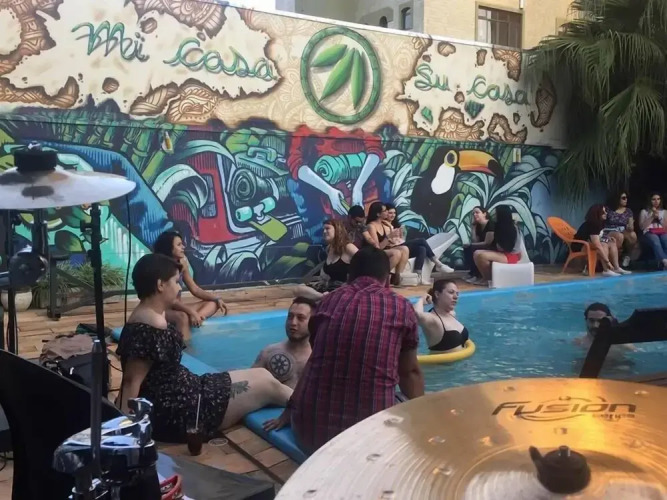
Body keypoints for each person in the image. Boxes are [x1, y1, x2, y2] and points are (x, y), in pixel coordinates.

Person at [263, 246, 424, 454]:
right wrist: (422, 422)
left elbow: (315, 361)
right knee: (408, 401)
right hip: (368, 443)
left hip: (309, 435)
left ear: (349, 276)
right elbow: (410, 373)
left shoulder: (327, 303)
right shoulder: (400, 307)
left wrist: (290, 410)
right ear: (387, 280)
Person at [117, 254, 292, 443]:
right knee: (267, 386)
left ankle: (301, 400)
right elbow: (130, 382)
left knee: (262, 374)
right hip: (181, 412)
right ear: (160, 285)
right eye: (176, 282)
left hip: (185, 393)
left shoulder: (150, 315)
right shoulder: (151, 324)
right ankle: (307, 408)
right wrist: (125, 432)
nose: (179, 287)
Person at [153, 231, 228, 341]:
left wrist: (216, 298)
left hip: (179, 307)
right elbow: (171, 301)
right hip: (164, 311)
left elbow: (195, 289)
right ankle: (187, 344)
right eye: (179, 245)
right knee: (182, 317)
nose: (183, 247)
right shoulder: (163, 268)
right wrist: (191, 312)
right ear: (169, 248)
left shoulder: (182, 263)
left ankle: (196, 320)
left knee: (213, 303)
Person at [252, 297, 316, 389]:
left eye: (300, 318)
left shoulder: (319, 358)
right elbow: (250, 385)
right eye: (290, 317)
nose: (293, 322)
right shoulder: (268, 353)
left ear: (313, 322)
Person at [385, 202, 452, 284]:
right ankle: (438, 263)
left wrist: (402, 234)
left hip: (401, 246)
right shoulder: (383, 225)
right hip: (393, 248)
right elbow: (388, 241)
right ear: (385, 213)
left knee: (422, 249)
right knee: (421, 241)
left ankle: (419, 277)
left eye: (394, 213)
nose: (393, 215)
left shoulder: (396, 224)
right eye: (390, 213)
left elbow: (401, 239)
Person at [294, 219, 358, 301]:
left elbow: (365, 261)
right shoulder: (329, 248)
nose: (324, 232)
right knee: (298, 289)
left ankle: (324, 298)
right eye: (323, 229)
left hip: (343, 290)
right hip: (328, 288)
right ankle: (323, 297)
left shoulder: (348, 247)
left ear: (337, 230)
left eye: (327, 228)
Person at [573, 204, 630, 277]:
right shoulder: (593, 224)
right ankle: (606, 270)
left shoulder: (600, 223)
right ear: (597, 214)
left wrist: (607, 238)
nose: (606, 213)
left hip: (589, 243)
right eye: (603, 212)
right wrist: (607, 262)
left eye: (605, 211)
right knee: (603, 245)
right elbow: (597, 244)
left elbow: (599, 235)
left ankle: (616, 268)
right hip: (580, 246)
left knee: (612, 243)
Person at [472, 205, 522, 285]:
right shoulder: (499, 226)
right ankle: (486, 278)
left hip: (511, 255)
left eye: (495, 213)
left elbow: (508, 248)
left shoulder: (511, 228)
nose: (493, 215)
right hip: (503, 253)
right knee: (476, 253)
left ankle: (488, 280)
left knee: (481, 256)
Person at [413, 279, 469, 352]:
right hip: (441, 360)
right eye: (451, 292)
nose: (456, 297)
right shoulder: (432, 319)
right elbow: (416, 314)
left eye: (457, 293)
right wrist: (422, 299)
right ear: (437, 294)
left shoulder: (452, 314)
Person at [362, 201, 409, 285]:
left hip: (384, 249)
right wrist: (388, 237)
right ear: (378, 214)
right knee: (396, 253)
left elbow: (388, 241)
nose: (387, 212)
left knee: (405, 249)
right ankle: (381, 278)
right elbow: (377, 248)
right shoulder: (371, 226)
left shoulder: (383, 223)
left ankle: (397, 277)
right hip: (373, 252)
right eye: (385, 211)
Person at [605, 191, 638, 268]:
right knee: (619, 236)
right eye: (623, 198)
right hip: (610, 229)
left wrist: (630, 226)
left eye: (626, 198)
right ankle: (613, 261)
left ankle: (627, 256)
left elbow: (631, 226)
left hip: (623, 230)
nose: (626, 200)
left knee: (633, 235)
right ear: (617, 199)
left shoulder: (628, 211)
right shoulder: (609, 209)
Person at [463, 206, 495, 285]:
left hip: (492, 248)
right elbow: (475, 241)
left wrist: (471, 245)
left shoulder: (490, 224)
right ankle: (473, 273)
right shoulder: (478, 226)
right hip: (484, 247)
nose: (474, 214)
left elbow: (487, 243)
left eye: (477, 212)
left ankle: (477, 275)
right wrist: (473, 228)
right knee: (468, 248)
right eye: (473, 213)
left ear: (484, 214)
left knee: (471, 248)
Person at [638, 192, 667, 269]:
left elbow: (665, 227)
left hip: (661, 231)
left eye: (658, 199)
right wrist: (652, 217)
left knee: (665, 239)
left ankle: (663, 262)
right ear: (650, 201)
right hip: (648, 232)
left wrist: (659, 217)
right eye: (653, 199)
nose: (656, 201)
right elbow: (642, 227)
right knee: (655, 239)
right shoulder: (644, 211)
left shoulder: (664, 212)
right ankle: (664, 260)